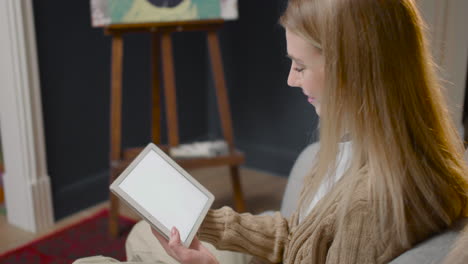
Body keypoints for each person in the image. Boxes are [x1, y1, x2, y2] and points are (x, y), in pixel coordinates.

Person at [74, 0, 468, 263]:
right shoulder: (373, 146)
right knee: (147, 230)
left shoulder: (370, 205)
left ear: (355, 72)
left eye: (300, 65)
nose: (290, 80)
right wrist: (202, 220)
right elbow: (298, 236)